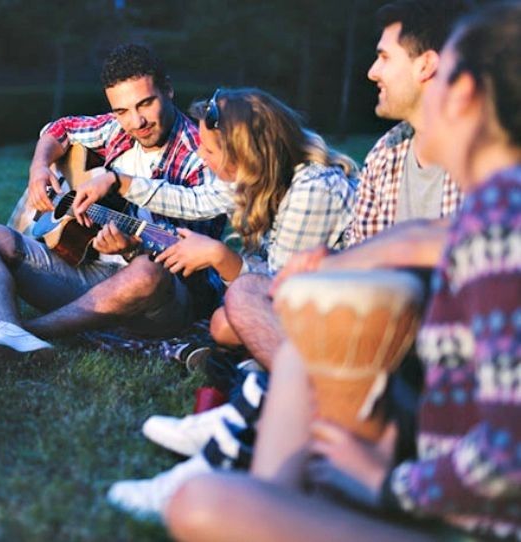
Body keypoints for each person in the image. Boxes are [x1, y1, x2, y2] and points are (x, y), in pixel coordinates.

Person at [166, 4, 521, 539]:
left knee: (202, 504)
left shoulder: (497, 219)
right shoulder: (426, 176)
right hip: (414, 413)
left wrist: (391, 483)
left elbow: (507, 455)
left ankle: (256, 436)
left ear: (461, 91)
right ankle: (268, 448)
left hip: (467, 507)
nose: (372, 72)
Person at [93, 87, 357, 517]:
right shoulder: (258, 175)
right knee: (224, 322)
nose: (203, 158)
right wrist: (116, 180)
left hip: (349, 322)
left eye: (210, 150)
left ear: (245, 154)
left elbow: (281, 293)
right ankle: (254, 395)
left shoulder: (312, 188)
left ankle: (258, 413)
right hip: (321, 310)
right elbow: (195, 200)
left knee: (236, 307)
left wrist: (220, 257)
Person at [0, 44, 234, 370]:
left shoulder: (201, 156)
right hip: (88, 274)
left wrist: (131, 251)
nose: (136, 121)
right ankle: (10, 331)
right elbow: (59, 129)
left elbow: (190, 265)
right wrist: (39, 167)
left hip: (157, 297)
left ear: (168, 89)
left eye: (145, 104)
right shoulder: (117, 130)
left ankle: (11, 332)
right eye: (122, 111)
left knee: (147, 273)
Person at [225, 0, 472, 369]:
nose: (372, 72)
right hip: (378, 319)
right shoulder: (385, 154)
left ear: (427, 65)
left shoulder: (485, 152)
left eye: (384, 58)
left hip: (448, 334)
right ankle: (314, 384)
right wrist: (324, 270)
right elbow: (360, 262)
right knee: (247, 294)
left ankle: (303, 387)